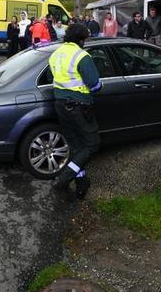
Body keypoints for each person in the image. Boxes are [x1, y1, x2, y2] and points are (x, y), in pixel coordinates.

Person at [50, 24, 102, 199]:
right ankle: (63, 179)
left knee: (76, 146)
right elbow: (94, 85)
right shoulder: (81, 55)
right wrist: (99, 85)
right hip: (79, 106)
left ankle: (81, 183)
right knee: (91, 144)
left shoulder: (56, 53)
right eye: (85, 39)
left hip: (60, 104)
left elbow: (54, 78)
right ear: (81, 39)